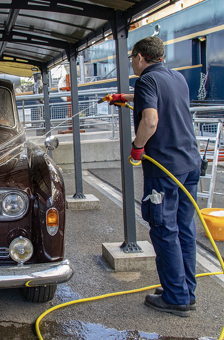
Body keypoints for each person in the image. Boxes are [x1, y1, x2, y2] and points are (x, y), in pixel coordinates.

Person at [110, 36, 201, 317]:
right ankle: (184, 290)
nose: (133, 66)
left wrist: (137, 148)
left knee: (164, 228)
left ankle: (176, 298)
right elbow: (156, 99)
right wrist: (123, 98)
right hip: (190, 164)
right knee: (184, 228)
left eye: (132, 61)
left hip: (165, 169)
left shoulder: (146, 80)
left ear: (139, 58)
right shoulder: (177, 77)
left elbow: (150, 120)